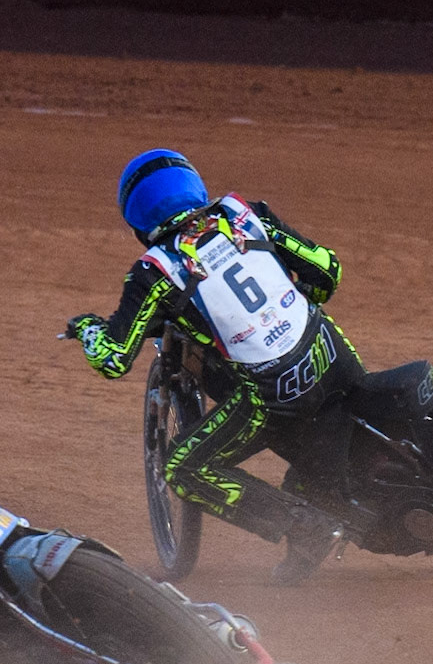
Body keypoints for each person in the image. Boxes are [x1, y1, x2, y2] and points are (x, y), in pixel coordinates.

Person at [67, 150, 366, 585]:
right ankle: (315, 531)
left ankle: (307, 528)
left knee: (184, 470)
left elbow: (114, 359)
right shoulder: (245, 214)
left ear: (137, 222)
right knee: (324, 426)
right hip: (332, 354)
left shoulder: (156, 271)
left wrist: (88, 328)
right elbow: (327, 272)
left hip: (275, 395)